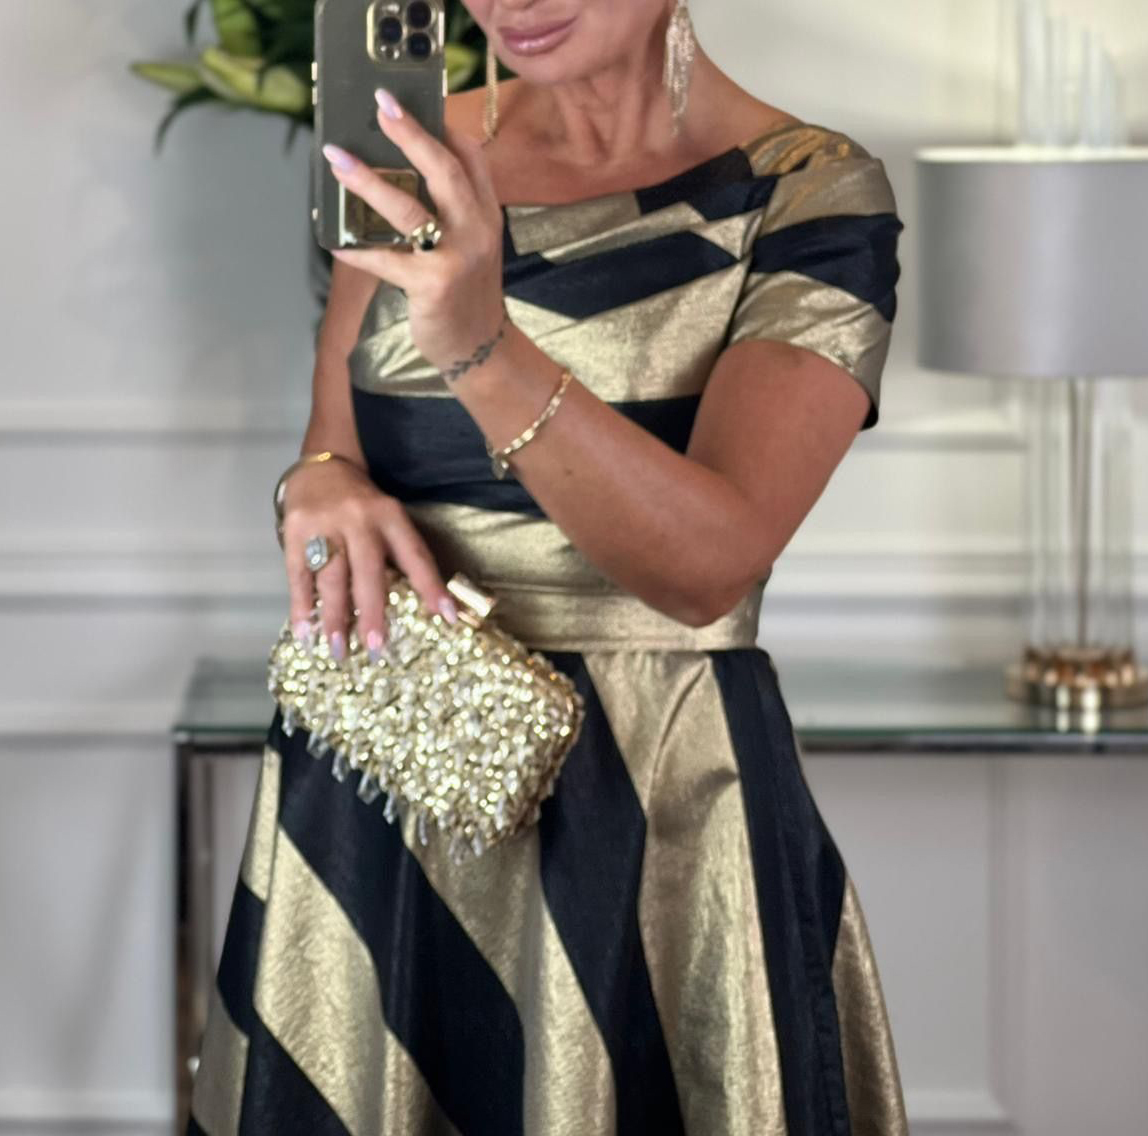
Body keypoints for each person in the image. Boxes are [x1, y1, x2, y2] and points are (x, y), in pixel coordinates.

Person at [187, 0, 908, 1132]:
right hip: (381, 793)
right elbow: (333, 446)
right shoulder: (407, 148)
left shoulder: (811, 192)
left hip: (653, 813)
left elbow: (708, 565)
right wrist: (312, 486)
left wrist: (480, 345)